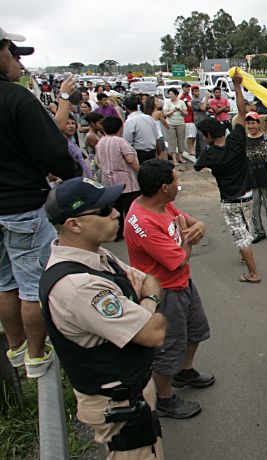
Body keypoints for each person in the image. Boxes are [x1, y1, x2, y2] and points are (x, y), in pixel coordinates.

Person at [41, 178, 166, 457]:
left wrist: (144, 300)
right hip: (118, 403)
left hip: (131, 389)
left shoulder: (97, 255)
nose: (115, 213)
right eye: (104, 209)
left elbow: (150, 281)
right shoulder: (79, 286)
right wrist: (146, 302)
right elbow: (154, 331)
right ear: (74, 224)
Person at [1, 29, 81, 378]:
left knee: (4, 283)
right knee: (32, 286)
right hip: (21, 206)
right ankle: (36, 355)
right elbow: (53, 151)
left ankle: (15, 345)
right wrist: (70, 172)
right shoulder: (16, 99)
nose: (19, 61)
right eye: (14, 52)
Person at [125, 160, 212, 419]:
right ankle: (165, 398)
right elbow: (179, 259)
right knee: (167, 347)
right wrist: (188, 239)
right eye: (176, 181)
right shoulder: (144, 222)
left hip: (182, 284)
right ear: (164, 187)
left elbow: (188, 221)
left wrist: (200, 227)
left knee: (196, 330)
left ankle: (183, 372)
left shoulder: (162, 205)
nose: (179, 185)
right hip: (164, 293)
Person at [195, 71, 261, 283]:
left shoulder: (209, 153)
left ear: (207, 136)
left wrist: (207, 148)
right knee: (246, 228)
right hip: (248, 194)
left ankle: (253, 273)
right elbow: (242, 112)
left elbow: (197, 167)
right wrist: (237, 87)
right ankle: (245, 252)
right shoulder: (237, 140)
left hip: (229, 199)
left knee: (240, 234)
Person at [96, 116, 140, 241]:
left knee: (116, 210)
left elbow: (99, 162)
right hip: (126, 182)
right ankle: (134, 234)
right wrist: (140, 172)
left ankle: (118, 233)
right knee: (131, 210)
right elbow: (131, 160)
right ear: (121, 127)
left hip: (109, 182)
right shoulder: (120, 141)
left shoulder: (100, 142)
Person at [244, 111, 267, 242]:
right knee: (254, 207)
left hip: (266, 178)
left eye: (253, 123)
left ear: (258, 123)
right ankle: (259, 231)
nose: (251, 126)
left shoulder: (266, 140)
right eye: (248, 123)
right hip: (251, 180)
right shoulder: (244, 141)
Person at [123, 95, 159, 165]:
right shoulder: (148, 117)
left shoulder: (130, 121)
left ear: (126, 107)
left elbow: (127, 141)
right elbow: (157, 137)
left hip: (140, 153)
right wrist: (158, 153)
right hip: (152, 151)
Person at [162, 88, 187, 164]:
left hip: (181, 123)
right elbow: (165, 114)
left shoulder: (181, 102)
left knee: (181, 140)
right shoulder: (167, 102)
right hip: (170, 123)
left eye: (171, 94)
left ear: (176, 94)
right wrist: (173, 110)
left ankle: (180, 157)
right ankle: (174, 159)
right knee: (172, 141)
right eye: (169, 94)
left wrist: (181, 110)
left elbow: (186, 113)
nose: (170, 96)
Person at [190, 85, 209, 158]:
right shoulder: (194, 100)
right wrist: (207, 98)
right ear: (192, 92)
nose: (197, 92)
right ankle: (203, 155)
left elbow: (206, 106)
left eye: (198, 90)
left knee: (199, 137)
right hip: (199, 120)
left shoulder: (199, 99)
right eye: (195, 91)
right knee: (203, 138)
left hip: (202, 118)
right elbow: (203, 108)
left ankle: (198, 154)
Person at [178, 83, 197, 158]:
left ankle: (192, 148)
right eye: (186, 87)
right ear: (182, 88)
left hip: (192, 118)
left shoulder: (189, 96)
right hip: (187, 119)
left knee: (193, 134)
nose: (188, 89)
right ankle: (190, 149)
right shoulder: (183, 97)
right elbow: (189, 106)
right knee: (190, 135)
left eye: (189, 87)